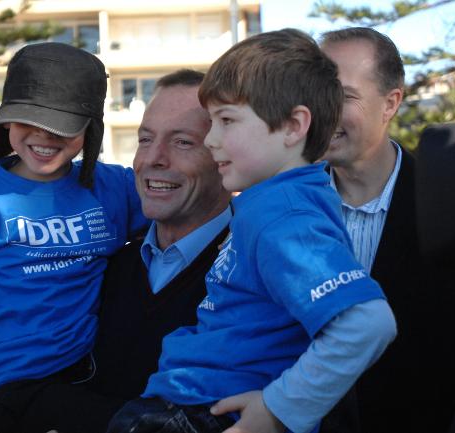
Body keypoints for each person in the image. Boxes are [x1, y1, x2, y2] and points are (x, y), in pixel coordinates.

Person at [106, 28, 397, 433]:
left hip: (204, 412)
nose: (212, 139)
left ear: (294, 126)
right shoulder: (284, 202)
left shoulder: (285, 214)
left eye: (227, 121)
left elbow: (367, 323)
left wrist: (278, 409)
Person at [0, 42, 147, 433]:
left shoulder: (115, 187)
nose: (44, 136)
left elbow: (187, 213)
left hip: (98, 373)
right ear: (5, 119)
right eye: (28, 120)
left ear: (90, 127)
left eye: (62, 126)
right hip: (15, 386)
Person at [32, 69, 233, 433]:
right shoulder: (106, 265)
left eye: (183, 142)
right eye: (145, 139)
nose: (153, 158)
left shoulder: (255, 271)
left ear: (228, 154)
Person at [318, 27, 455, 433]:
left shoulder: (453, 205)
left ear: (391, 103)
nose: (323, 110)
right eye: (316, 92)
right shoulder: (284, 208)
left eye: (344, 95)